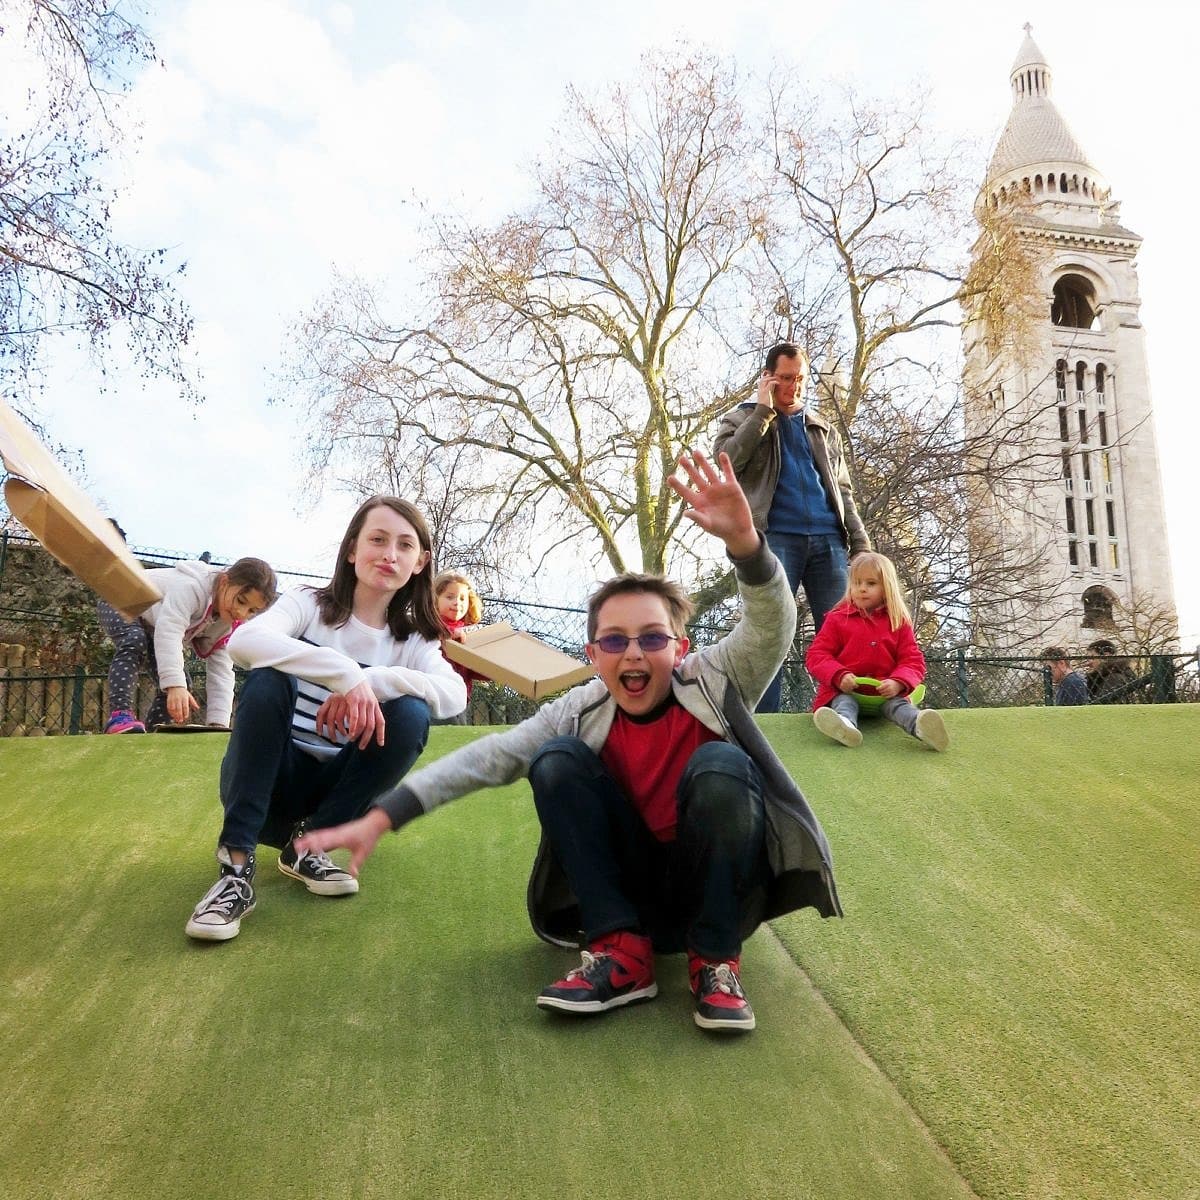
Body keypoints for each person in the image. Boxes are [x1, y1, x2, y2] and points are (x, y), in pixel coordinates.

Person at [296, 453, 841, 1035]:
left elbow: (770, 625)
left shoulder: (715, 677)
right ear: (593, 657)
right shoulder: (582, 708)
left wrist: (746, 545)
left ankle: (715, 959)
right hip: (633, 891)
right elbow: (493, 757)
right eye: (614, 640)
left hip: (714, 883)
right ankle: (622, 952)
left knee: (722, 764)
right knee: (553, 759)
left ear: (679, 649)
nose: (633, 653)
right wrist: (383, 816)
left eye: (652, 637)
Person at [185, 496, 468, 943]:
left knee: (412, 713)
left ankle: (308, 846)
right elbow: (245, 641)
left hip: (333, 799)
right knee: (269, 679)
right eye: (377, 539)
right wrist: (343, 674)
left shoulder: (414, 640)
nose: (389, 554)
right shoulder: (307, 604)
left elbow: (453, 695)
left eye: (404, 545)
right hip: (267, 783)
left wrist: (370, 682)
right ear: (352, 549)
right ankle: (235, 872)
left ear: (420, 562)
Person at [714, 342, 870, 713]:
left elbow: (842, 490)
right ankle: (764, 723)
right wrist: (763, 414)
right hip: (774, 540)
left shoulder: (821, 428)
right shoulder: (741, 419)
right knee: (770, 632)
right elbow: (727, 466)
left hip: (829, 542)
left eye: (800, 379)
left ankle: (845, 714)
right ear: (767, 378)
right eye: (785, 379)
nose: (794, 387)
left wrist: (860, 543)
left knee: (842, 633)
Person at [98, 554, 278, 734]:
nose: (241, 612)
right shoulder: (190, 587)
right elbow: (170, 630)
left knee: (182, 686)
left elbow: (222, 670)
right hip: (121, 597)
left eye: (252, 611)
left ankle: (152, 739)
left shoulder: (227, 623)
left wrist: (218, 724)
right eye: (241, 601)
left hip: (152, 623)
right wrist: (175, 685)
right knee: (135, 641)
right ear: (224, 581)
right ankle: (119, 715)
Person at [805, 551, 949, 751]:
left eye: (871, 584)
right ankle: (845, 726)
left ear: (886, 588)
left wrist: (898, 682)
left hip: (885, 694)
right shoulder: (838, 619)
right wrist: (839, 675)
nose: (862, 589)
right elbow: (817, 655)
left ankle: (921, 726)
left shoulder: (898, 622)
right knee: (844, 703)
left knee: (899, 707)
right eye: (857, 583)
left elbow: (912, 660)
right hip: (845, 689)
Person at [432, 569, 490, 725]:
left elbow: (470, 668)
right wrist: (449, 634)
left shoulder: (466, 634)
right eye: (450, 597)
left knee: (457, 731)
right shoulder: (431, 626)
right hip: (437, 694)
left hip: (461, 697)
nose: (457, 602)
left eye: (463, 598)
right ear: (434, 600)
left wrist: (492, 669)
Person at [1084, 639, 1137, 704]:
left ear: (1105, 656)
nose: (1087, 663)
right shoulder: (1104, 678)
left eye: (1091, 658)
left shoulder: (1113, 679)